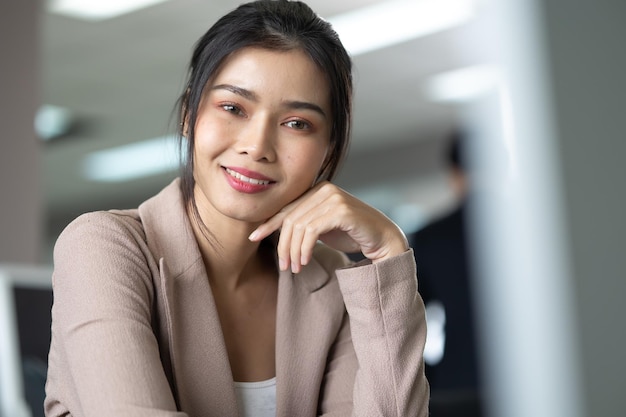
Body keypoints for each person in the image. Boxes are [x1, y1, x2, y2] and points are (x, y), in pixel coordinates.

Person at [44, 1, 429, 416]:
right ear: (190, 114)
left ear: (328, 149)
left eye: (297, 123)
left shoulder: (331, 283)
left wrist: (389, 250)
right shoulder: (104, 248)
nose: (257, 146)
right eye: (233, 108)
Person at [409, 131, 483, 417]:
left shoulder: (433, 236)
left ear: (454, 173)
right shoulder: (532, 229)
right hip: (538, 374)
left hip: (458, 382)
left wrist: (431, 374)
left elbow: (406, 318)